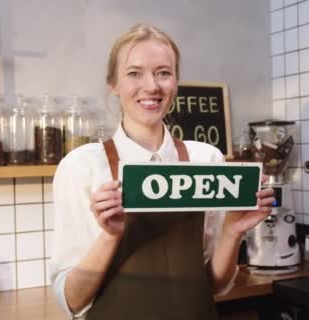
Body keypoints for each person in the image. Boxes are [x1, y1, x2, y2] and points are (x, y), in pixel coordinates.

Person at [50, 24, 275, 320]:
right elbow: (72, 300)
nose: (151, 86)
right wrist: (110, 235)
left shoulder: (206, 159)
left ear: (176, 82)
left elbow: (215, 285)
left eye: (163, 72)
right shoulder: (81, 167)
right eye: (134, 73)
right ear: (113, 84)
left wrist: (233, 232)